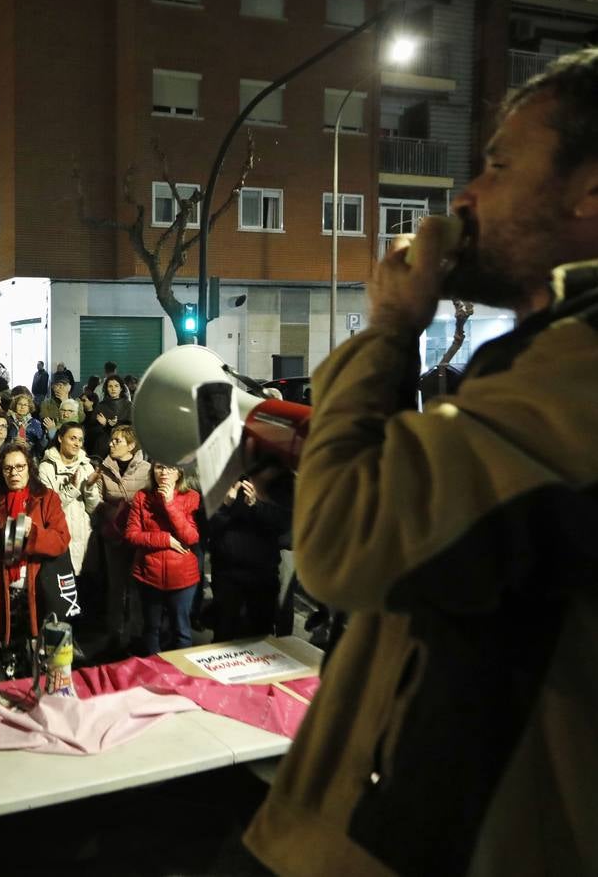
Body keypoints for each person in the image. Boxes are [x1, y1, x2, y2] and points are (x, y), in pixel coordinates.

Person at [244, 49, 598, 875]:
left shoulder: (579, 371)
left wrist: (393, 328)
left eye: (502, 164)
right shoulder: (545, 359)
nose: (468, 196)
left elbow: (343, 535)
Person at [0, 442, 72, 675]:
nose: (14, 473)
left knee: (43, 654)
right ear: (0, 472)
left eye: (19, 467)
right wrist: (3, 535)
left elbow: (61, 540)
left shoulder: (47, 498)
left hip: (40, 587)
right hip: (6, 588)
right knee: (10, 653)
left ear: (29, 468)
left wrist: (33, 532)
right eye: (8, 469)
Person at [124, 461, 199, 654]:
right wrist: (165, 539)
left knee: (181, 630)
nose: (164, 472)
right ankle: (155, 672)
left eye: (170, 467)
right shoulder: (142, 497)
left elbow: (191, 537)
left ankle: (182, 676)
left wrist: (170, 504)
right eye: (159, 467)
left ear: (180, 472)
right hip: (149, 575)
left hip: (182, 577)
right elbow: (131, 534)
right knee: (151, 628)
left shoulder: (191, 497)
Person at [90, 425, 152, 656]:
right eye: (112, 440)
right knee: (115, 588)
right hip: (114, 536)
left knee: (136, 588)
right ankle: (115, 634)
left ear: (131, 445)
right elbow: (95, 501)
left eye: (118, 441)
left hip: (137, 538)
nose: (111, 444)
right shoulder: (104, 469)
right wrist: (111, 511)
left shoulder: (146, 470)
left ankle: (136, 634)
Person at [206, 477, 287, 642]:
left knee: (260, 635)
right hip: (226, 573)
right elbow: (208, 527)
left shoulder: (275, 481)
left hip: (263, 573)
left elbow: (284, 523)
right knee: (223, 632)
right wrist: (225, 505)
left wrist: (257, 505)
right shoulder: (220, 479)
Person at [36, 422, 100, 576]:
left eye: (80, 440)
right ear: (60, 438)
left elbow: (93, 508)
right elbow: (48, 509)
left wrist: (90, 488)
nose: (77, 443)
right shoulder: (46, 468)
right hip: (59, 536)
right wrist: (72, 489)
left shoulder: (87, 466)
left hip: (83, 537)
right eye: (72, 438)